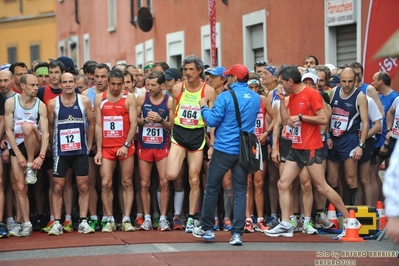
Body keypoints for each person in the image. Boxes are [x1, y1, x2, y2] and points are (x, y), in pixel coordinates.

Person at [264, 66, 354, 239]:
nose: (279, 85)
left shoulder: (311, 94)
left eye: (282, 82)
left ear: (290, 81)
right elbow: (285, 121)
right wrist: (282, 102)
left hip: (311, 147)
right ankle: (285, 224)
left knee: (321, 187)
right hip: (296, 147)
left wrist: (302, 117)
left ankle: (351, 219)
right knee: (283, 184)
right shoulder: (291, 96)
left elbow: (323, 119)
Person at [192, 64, 260, 245]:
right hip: (244, 150)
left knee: (212, 188)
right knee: (240, 191)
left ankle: (207, 229)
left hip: (224, 148)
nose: (227, 78)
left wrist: (203, 106)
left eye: (229, 76)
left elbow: (212, 120)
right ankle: (237, 233)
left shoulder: (225, 96)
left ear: (234, 79)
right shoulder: (255, 98)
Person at [165, 55, 216, 233]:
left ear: (199, 71)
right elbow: (173, 111)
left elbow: (213, 121)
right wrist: (172, 127)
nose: (187, 73)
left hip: (196, 135)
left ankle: (193, 218)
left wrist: (212, 145)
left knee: (194, 180)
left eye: (191, 69)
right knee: (171, 174)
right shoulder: (178, 88)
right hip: (179, 133)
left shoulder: (208, 91)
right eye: (185, 69)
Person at [46, 73, 95, 235]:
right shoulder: (53, 104)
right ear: (60, 84)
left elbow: (91, 124)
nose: (68, 85)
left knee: (83, 186)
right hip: (61, 152)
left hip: (80, 151)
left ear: (75, 83)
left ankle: (82, 221)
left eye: (70, 82)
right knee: (58, 187)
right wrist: (53, 147)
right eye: (64, 82)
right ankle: (57, 222)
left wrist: (89, 145)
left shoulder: (84, 101)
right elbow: (51, 127)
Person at [5, 74, 49, 237]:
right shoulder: (11, 103)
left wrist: (41, 156)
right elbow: (8, 131)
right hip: (17, 146)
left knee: (27, 127)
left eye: (37, 85)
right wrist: (17, 153)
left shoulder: (40, 105)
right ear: (22, 86)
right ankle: (26, 223)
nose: (36, 88)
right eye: (32, 85)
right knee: (20, 186)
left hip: (34, 144)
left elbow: (45, 134)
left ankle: (31, 166)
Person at [93, 68, 137, 233]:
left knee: (127, 182)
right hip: (106, 147)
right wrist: (98, 150)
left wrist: (125, 145)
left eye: (120, 84)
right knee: (106, 183)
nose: (117, 87)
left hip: (124, 146)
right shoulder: (100, 99)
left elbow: (133, 124)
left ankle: (126, 219)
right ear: (108, 83)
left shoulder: (129, 98)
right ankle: (109, 219)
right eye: (113, 84)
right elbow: (98, 125)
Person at [136, 71, 173, 231]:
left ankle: (163, 218)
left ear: (162, 85)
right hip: (145, 146)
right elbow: (134, 120)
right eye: (147, 84)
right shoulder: (141, 98)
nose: (149, 88)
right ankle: (147, 217)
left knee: (164, 182)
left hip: (162, 146)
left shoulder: (169, 101)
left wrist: (160, 120)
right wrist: (144, 121)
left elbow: (172, 126)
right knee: (144, 183)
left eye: (153, 85)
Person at [326, 67, 369, 206]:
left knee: (350, 179)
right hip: (333, 138)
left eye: (350, 81)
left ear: (355, 81)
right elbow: (326, 115)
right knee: (332, 179)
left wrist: (361, 145)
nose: (347, 85)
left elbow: (366, 123)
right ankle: (336, 211)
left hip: (349, 139)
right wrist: (327, 136)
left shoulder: (360, 96)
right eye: (344, 81)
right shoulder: (333, 92)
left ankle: (352, 212)